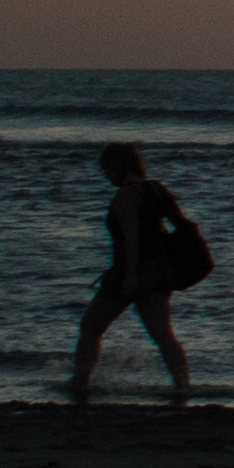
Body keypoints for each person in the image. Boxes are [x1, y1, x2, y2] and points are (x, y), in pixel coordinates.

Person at [69, 142, 196, 409]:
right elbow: (183, 227)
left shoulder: (126, 195)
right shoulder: (157, 189)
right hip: (160, 271)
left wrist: (128, 278)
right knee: (163, 335)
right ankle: (183, 386)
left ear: (120, 166)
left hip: (130, 270)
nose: (105, 175)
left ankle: (80, 383)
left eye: (107, 169)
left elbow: (131, 238)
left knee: (90, 328)